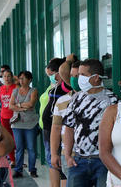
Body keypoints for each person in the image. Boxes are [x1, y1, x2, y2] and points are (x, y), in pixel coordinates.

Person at [63, 59, 119, 187]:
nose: (79, 79)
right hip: (78, 162)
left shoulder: (112, 100)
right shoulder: (76, 98)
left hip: (103, 162)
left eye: (83, 75)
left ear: (96, 78)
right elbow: (69, 128)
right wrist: (68, 156)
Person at [50, 55, 81, 187]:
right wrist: (53, 154)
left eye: (78, 76)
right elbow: (56, 129)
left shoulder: (101, 100)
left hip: (94, 156)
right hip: (68, 155)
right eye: (72, 76)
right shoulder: (62, 101)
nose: (75, 79)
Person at [42, 57, 72, 187]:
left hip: (60, 131)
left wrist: (67, 60)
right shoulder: (56, 86)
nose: (52, 77)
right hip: (49, 130)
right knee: (52, 162)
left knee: (61, 167)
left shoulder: (67, 86)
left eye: (53, 74)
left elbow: (65, 70)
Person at [9, 71, 39, 178]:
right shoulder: (15, 91)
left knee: (31, 148)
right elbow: (10, 106)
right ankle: (18, 170)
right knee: (19, 147)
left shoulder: (33, 90)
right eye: (20, 78)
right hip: (17, 124)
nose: (21, 80)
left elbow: (31, 104)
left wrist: (18, 105)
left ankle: (32, 169)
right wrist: (23, 107)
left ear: (29, 79)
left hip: (30, 123)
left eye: (23, 78)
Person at [0, 69, 17, 167]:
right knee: (7, 139)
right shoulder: (0, 89)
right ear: (2, 78)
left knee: (16, 139)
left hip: (15, 117)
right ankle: (12, 160)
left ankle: (18, 158)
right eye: (5, 76)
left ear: (12, 77)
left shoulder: (16, 87)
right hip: (4, 116)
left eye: (9, 76)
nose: (7, 78)